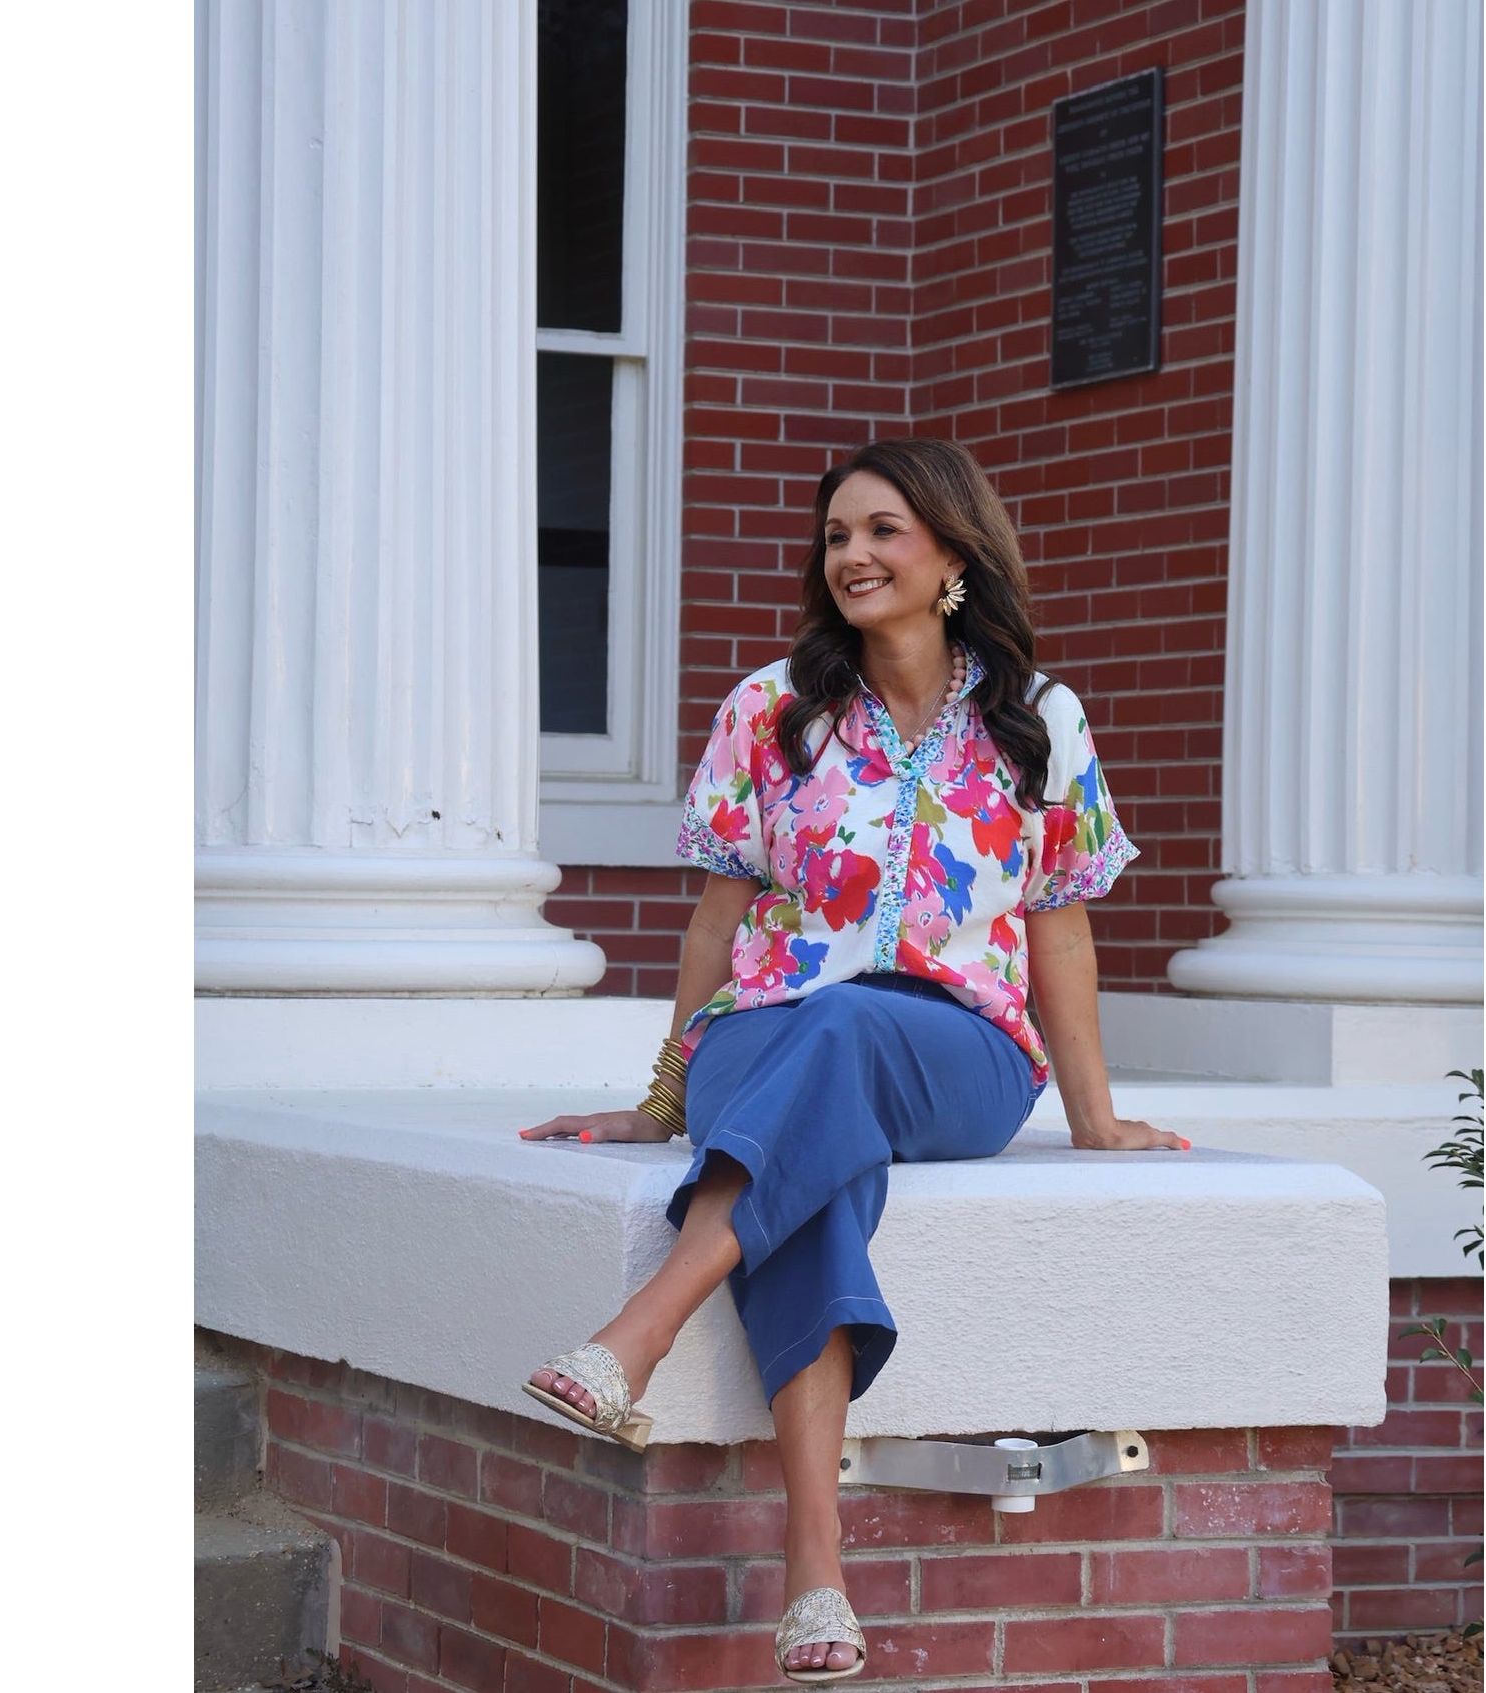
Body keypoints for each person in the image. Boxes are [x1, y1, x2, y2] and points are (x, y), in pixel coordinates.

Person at [516, 437, 1187, 1684]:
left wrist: (1094, 1117)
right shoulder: (772, 709)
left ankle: (643, 1328)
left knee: (847, 1028)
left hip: (957, 1049)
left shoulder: (1039, 718)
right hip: (762, 1033)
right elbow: (720, 923)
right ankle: (816, 1569)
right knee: (821, 1154)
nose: (853, 556)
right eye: (836, 536)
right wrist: (664, 1092)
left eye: (882, 530)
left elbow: (1061, 923)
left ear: (951, 552)